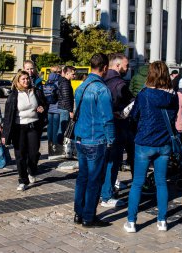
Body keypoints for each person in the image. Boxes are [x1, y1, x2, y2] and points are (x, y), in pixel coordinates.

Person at [124, 61, 178, 233]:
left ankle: (131, 222)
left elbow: (133, 116)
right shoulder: (173, 96)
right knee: (161, 183)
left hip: (144, 142)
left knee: (138, 183)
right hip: (164, 143)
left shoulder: (144, 94)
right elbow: (173, 117)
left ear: (151, 75)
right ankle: (162, 221)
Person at [73, 53, 115, 228]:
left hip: (80, 138)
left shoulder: (81, 86)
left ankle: (79, 213)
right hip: (96, 139)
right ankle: (89, 217)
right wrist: (111, 139)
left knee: (82, 177)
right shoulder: (102, 89)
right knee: (94, 180)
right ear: (104, 67)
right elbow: (107, 118)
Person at [2, 71, 48, 191]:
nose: (26, 81)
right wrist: (5, 134)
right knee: (20, 155)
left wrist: (43, 107)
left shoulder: (36, 91)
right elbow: (8, 117)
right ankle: (23, 180)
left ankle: (32, 171)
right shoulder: (13, 96)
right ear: (17, 81)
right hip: (19, 127)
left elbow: (45, 104)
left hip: (33, 126)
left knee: (33, 152)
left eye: (27, 79)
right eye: (23, 79)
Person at [100, 53, 135, 208]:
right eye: (126, 66)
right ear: (118, 65)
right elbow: (125, 104)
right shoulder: (119, 84)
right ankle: (106, 195)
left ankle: (106, 191)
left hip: (100, 128)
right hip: (117, 127)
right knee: (113, 162)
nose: (128, 68)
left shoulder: (101, 80)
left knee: (106, 161)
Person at [43, 65, 61, 157]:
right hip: (57, 108)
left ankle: (49, 146)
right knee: (56, 129)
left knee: (50, 128)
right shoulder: (59, 81)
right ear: (57, 72)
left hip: (49, 108)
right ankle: (55, 147)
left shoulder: (47, 81)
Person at [57, 66, 76, 148]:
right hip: (65, 108)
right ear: (67, 73)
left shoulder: (65, 82)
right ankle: (59, 147)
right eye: (73, 74)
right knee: (63, 129)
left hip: (63, 107)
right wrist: (71, 111)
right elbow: (66, 98)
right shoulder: (65, 83)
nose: (74, 76)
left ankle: (60, 145)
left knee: (63, 128)